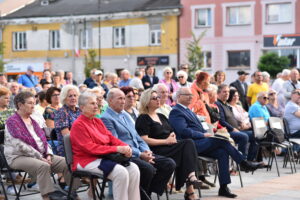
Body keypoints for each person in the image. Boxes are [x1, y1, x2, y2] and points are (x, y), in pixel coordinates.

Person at [169, 87, 262, 198]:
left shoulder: (188, 110)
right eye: (187, 95)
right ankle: (243, 163)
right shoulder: (176, 111)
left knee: (222, 152)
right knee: (221, 140)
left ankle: (224, 187)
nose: (191, 97)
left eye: (192, 95)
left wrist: (209, 132)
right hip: (190, 145)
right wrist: (203, 134)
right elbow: (183, 131)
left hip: (201, 142)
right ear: (179, 97)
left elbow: (198, 127)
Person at [101, 88, 176, 200]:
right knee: (148, 168)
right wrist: (140, 154)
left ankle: (146, 193)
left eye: (123, 98)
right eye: (120, 98)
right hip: (126, 155)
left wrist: (147, 151)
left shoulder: (124, 115)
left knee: (169, 164)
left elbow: (138, 137)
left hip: (140, 152)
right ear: (110, 101)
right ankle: (144, 195)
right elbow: (117, 142)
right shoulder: (106, 118)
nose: (123, 101)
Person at [4, 91, 80, 200]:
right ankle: (47, 197)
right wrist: (40, 157)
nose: (33, 106)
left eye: (34, 103)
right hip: (18, 157)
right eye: (30, 103)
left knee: (67, 162)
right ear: (20, 105)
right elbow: (20, 146)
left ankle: (73, 193)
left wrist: (48, 154)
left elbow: (44, 140)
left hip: (41, 155)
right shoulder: (12, 122)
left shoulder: (33, 120)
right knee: (43, 166)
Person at [70, 92, 140, 200]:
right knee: (120, 172)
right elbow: (90, 148)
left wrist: (125, 146)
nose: (96, 106)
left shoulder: (97, 121)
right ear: (82, 107)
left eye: (96, 103)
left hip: (102, 157)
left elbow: (111, 138)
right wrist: (117, 148)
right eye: (92, 103)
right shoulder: (78, 125)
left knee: (133, 169)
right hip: (86, 160)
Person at [136, 89, 201, 200]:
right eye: (154, 98)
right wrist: (165, 141)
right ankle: (190, 187)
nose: (158, 100)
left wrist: (172, 137)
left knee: (188, 144)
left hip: (169, 147)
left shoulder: (161, 116)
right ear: (146, 101)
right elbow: (144, 139)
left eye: (158, 97)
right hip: (156, 149)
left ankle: (191, 181)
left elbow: (172, 131)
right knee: (186, 149)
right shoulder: (143, 118)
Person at [216, 84, 257, 161]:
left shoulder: (226, 105)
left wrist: (239, 126)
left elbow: (234, 119)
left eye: (228, 92)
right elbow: (221, 121)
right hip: (226, 132)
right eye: (224, 92)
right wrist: (233, 129)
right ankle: (241, 161)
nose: (227, 93)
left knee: (255, 135)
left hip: (236, 129)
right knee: (243, 137)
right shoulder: (218, 104)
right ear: (218, 93)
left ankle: (250, 160)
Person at [54, 85, 80, 157]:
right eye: (70, 96)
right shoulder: (62, 112)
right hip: (68, 149)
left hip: (81, 144)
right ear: (64, 98)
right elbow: (67, 136)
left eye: (75, 95)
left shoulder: (79, 111)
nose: (73, 98)